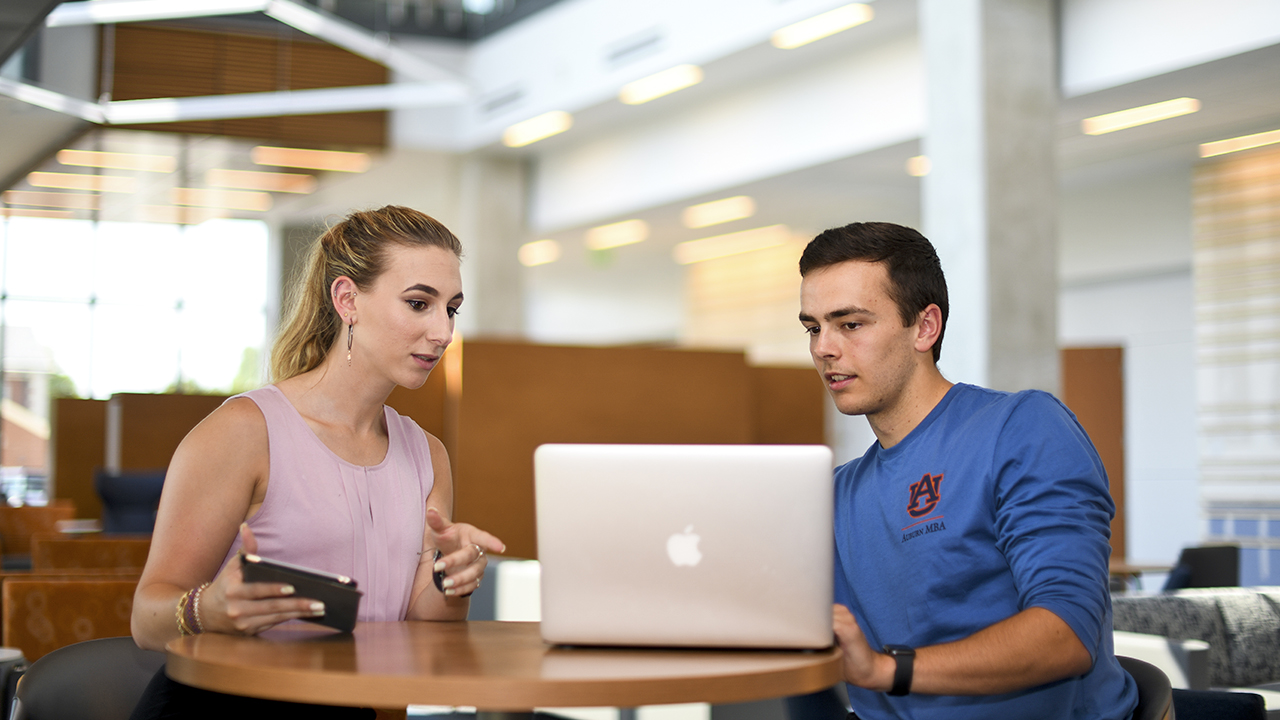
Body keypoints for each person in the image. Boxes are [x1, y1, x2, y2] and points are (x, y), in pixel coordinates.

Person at [130, 205, 505, 718]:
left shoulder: (427, 454)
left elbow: (424, 625)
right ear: (347, 299)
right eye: (419, 304)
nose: (443, 332)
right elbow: (146, 618)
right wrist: (209, 608)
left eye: (452, 309)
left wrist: (451, 580)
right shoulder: (244, 432)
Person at [797, 222, 1138, 719]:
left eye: (850, 324)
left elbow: (1067, 633)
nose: (824, 348)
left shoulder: (1021, 429)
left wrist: (886, 670)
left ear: (925, 327)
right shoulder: (837, 492)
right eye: (813, 327)